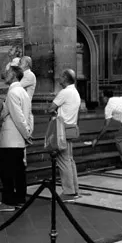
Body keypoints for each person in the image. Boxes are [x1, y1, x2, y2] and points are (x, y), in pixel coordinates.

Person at [0, 66, 32, 212]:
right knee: (19, 172)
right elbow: (29, 116)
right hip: (17, 139)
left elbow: (18, 116)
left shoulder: (13, 92)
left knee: (7, 173)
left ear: (14, 75)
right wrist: (27, 132)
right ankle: (20, 199)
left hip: (11, 139)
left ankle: (9, 202)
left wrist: (27, 134)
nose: (4, 75)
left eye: (7, 73)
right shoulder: (23, 92)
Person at [47, 69, 81, 202]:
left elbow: (51, 107)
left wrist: (52, 111)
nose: (59, 79)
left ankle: (69, 192)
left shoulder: (65, 92)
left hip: (62, 129)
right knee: (70, 160)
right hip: (71, 127)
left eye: (61, 76)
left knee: (63, 161)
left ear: (66, 78)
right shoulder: (75, 92)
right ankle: (75, 189)